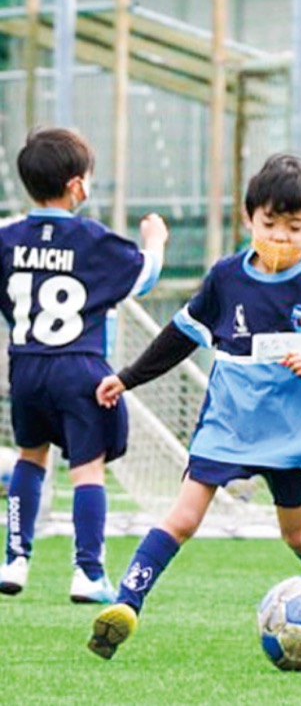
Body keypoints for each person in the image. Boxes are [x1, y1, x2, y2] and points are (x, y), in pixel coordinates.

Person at [85, 154, 301, 660]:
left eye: (294, 227)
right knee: (182, 518)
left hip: (292, 435)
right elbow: (180, 337)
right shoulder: (226, 278)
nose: (280, 237)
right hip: (228, 425)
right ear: (248, 218)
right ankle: (126, 605)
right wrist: (126, 379)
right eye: (269, 224)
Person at [0, 128, 168, 604]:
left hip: (26, 367)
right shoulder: (91, 239)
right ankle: (87, 573)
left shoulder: (7, 238)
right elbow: (144, 276)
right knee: (87, 470)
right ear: (77, 185)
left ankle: (14, 560)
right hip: (80, 367)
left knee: (31, 459)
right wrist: (154, 240)